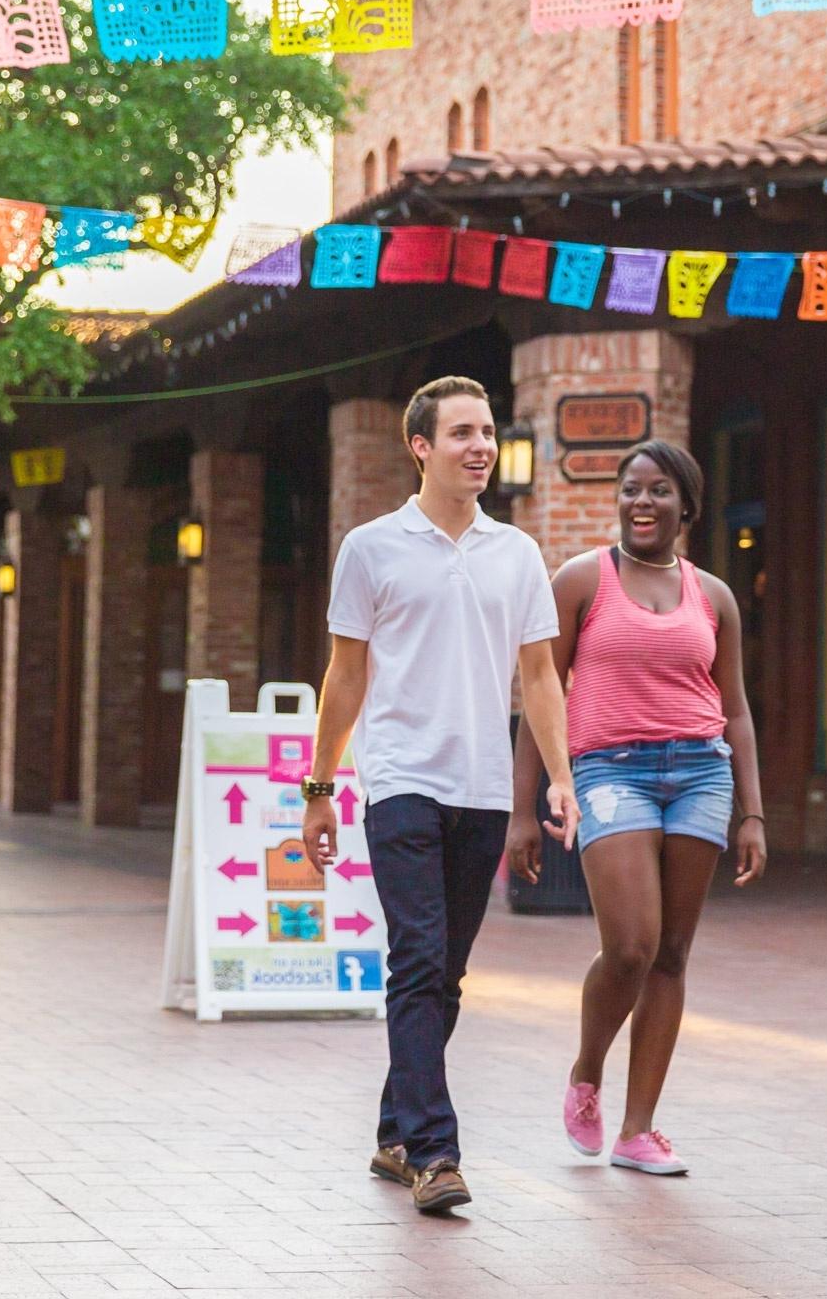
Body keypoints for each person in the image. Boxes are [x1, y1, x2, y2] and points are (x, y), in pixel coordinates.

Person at [302, 375, 578, 1215]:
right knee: (418, 958)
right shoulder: (373, 548)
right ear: (420, 447)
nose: (480, 447)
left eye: (487, 432)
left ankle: (394, 1130)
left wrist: (560, 776)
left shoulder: (516, 553)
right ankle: (435, 1153)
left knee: (445, 972)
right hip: (400, 780)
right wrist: (320, 788)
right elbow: (345, 675)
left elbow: (539, 676)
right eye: (462, 433)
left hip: (484, 785)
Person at [508, 440, 767, 1177]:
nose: (641, 503)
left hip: (699, 773)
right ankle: (586, 1071)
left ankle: (638, 1129)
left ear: (686, 506)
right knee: (631, 946)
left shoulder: (713, 595)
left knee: (673, 954)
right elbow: (540, 692)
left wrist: (752, 812)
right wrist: (524, 809)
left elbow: (737, 710)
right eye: (630, 490)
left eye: (658, 492)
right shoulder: (582, 579)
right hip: (607, 769)